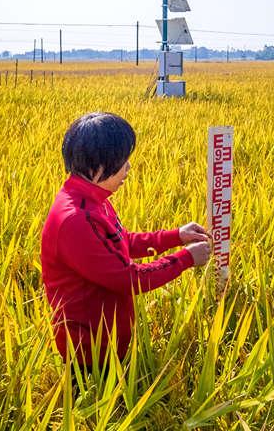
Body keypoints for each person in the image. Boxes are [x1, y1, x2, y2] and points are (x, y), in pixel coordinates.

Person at [41, 112, 211, 367]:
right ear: (98, 165)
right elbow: (127, 279)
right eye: (122, 161)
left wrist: (177, 236)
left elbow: (123, 242)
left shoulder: (93, 201)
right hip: (90, 353)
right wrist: (185, 259)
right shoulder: (76, 219)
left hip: (109, 338)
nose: (128, 168)